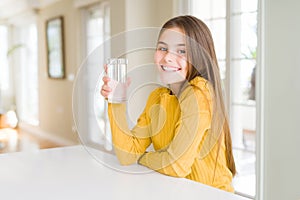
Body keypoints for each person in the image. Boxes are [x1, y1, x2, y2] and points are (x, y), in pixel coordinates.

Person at [100, 15, 236, 192]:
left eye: (181, 51)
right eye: (163, 48)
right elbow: (127, 155)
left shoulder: (199, 93)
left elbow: (176, 166)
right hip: (177, 191)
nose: (167, 58)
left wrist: (142, 157)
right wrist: (116, 100)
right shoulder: (158, 97)